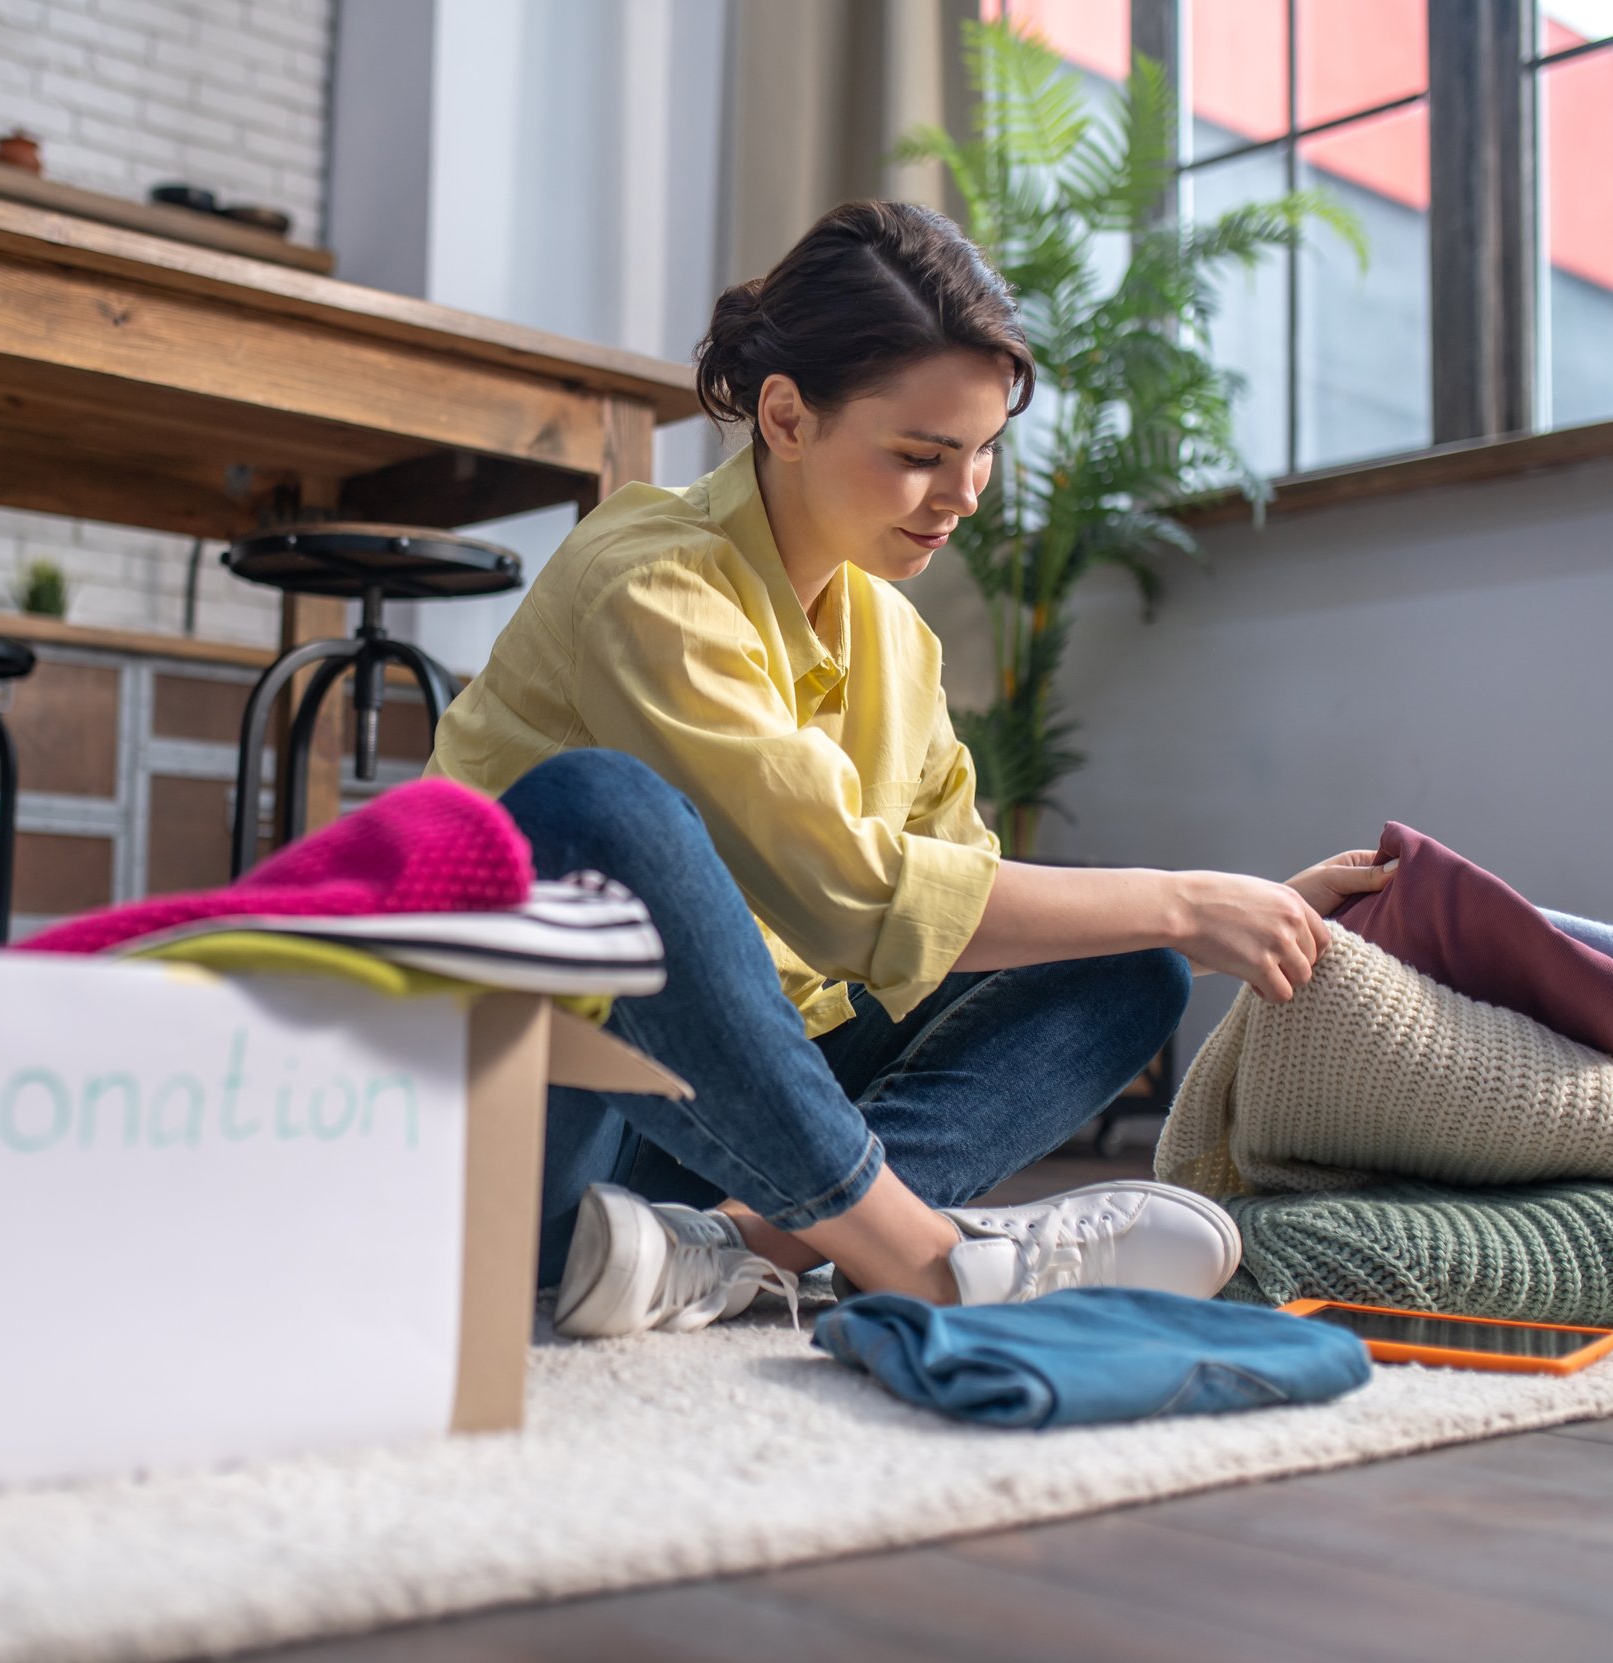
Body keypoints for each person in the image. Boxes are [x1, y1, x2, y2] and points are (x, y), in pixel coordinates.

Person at [423, 201, 1392, 1338]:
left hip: (737, 1135)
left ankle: (741, 1250)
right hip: (553, 1109)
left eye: (982, 453)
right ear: (784, 415)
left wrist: (1235, 914)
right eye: (923, 456)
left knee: (1124, 966)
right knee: (595, 810)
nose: (966, 493)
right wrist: (1187, 898)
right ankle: (916, 1253)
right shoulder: (650, 583)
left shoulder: (893, 637)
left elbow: (957, 916)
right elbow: (850, 898)